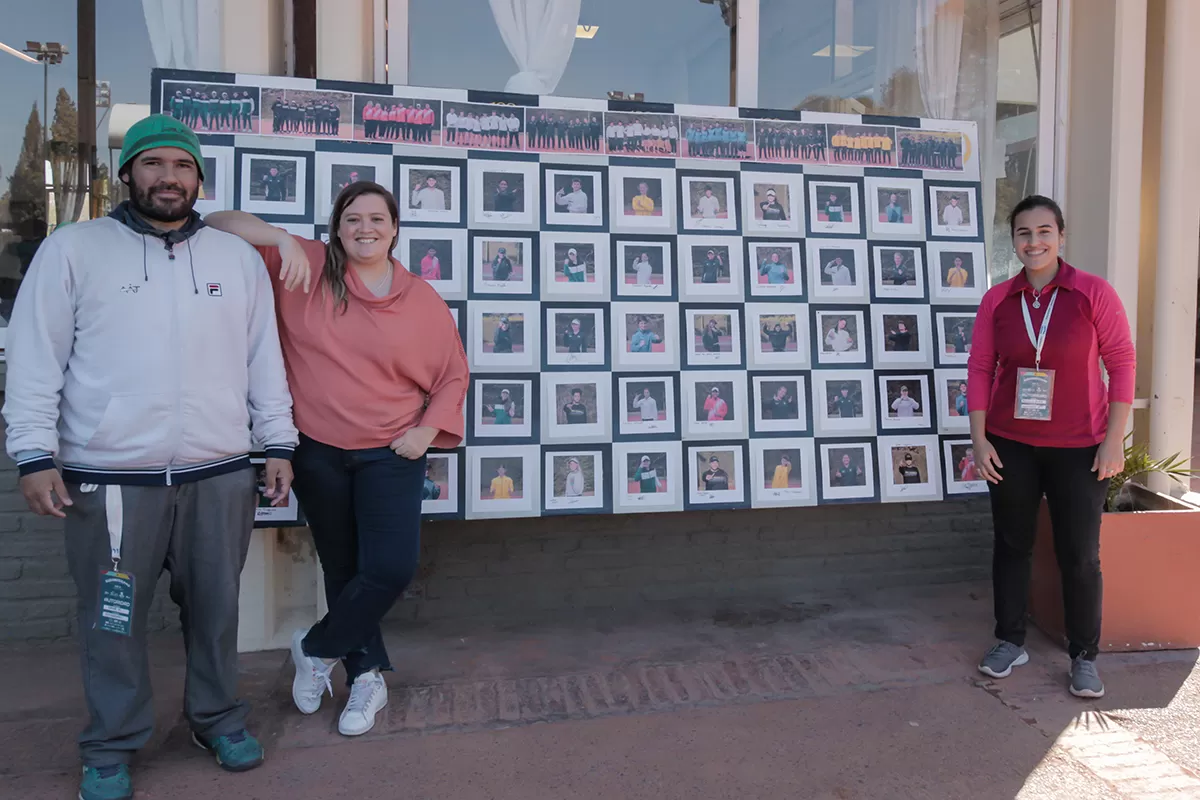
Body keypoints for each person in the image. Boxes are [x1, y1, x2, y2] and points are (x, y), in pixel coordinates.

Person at [4, 115, 298, 800]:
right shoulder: (75, 250)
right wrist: (31, 453)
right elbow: (34, 358)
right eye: (154, 164)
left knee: (216, 609)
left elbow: (264, 360)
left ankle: (217, 718)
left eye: (182, 166)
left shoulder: (236, 260)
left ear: (199, 178)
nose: (168, 177)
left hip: (220, 473)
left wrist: (276, 441)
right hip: (108, 479)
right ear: (128, 173)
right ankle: (110, 743)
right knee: (113, 618)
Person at [204, 179, 470, 737]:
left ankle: (317, 648)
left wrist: (426, 431)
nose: (365, 228)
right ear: (337, 226)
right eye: (353, 218)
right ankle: (367, 677)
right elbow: (217, 225)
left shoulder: (419, 296)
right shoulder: (306, 264)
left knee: (390, 568)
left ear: (395, 229)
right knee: (343, 569)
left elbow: (452, 373)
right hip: (319, 449)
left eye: (377, 218)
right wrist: (279, 236)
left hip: (391, 451)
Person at [967, 195, 1134, 699]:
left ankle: (1084, 654)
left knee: (1079, 554)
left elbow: (1122, 362)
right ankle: (1009, 639)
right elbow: (980, 368)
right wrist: (979, 440)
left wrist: (1113, 442)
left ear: (1061, 237)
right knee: (1012, 544)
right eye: (1023, 233)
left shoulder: (1092, 292)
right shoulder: (998, 299)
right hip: (1010, 443)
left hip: (1080, 446)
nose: (1033, 241)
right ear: (1012, 241)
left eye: (1044, 231)